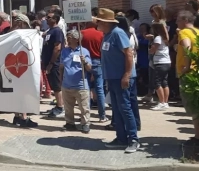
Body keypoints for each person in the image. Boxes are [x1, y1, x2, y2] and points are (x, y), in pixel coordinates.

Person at [96, 8, 141, 154]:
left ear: (105, 22)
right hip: (112, 78)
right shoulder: (107, 35)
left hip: (122, 78)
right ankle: (121, 138)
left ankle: (133, 139)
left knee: (125, 108)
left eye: (99, 21)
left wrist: (127, 75)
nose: (97, 23)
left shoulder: (118, 33)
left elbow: (128, 54)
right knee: (117, 109)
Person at [176, 10, 199, 147]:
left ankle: (198, 138)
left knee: (194, 107)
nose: (176, 22)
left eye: (178, 20)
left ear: (185, 20)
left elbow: (187, 46)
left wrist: (186, 66)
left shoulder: (184, 32)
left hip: (190, 74)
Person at [60, 29, 92, 134]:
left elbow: (89, 68)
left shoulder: (84, 51)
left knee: (84, 107)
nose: (67, 40)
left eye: (69, 37)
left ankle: (85, 124)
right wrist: (61, 79)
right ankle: (70, 123)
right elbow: (61, 66)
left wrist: (85, 62)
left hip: (80, 84)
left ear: (76, 39)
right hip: (67, 84)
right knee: (68, 107)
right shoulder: (65, 51)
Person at [43, 12, 64, 118]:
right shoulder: (49, 31)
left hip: (55, 63)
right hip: (47, 62)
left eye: (49, 17)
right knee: (53, 85)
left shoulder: (57, 31)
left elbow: (57, 48)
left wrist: (51, 63)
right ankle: (57, 105)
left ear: (55, 19)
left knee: (56, 86)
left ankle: (60, 107)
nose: (46, 19)